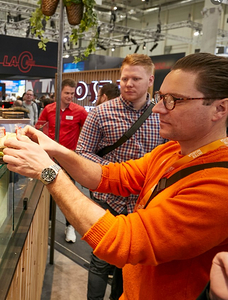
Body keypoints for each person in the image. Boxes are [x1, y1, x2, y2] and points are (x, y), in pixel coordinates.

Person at [3, 52, 228, 299]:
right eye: (162, 98)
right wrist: (55, 149)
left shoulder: (219, 186)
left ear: (220, 108)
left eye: (174, 100)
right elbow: (110, 176)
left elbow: (124, 241)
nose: (159, 109)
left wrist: (48, 171)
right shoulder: (172, 150)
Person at [76, 54, 167, 300]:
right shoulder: (100, 113)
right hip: (108, 200)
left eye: (135, 78)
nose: (128, 83)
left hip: (144, 202)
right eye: (124, 78)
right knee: (101, 260)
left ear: (149, 80)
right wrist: (119, 170)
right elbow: (82, 152)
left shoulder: (162, 114)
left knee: (131, 264)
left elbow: (169, 153)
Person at [36, 79, 88, 243]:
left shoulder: (79, 111)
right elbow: (39, 129)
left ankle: (70, 226)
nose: (70, 96)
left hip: (68, 159)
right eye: (67, 93)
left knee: (69, 195)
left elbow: (88, 131)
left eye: (72, 93)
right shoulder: (49, 110)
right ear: (59, 93)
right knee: (50, 190)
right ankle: (49, 222)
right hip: (49, 159)